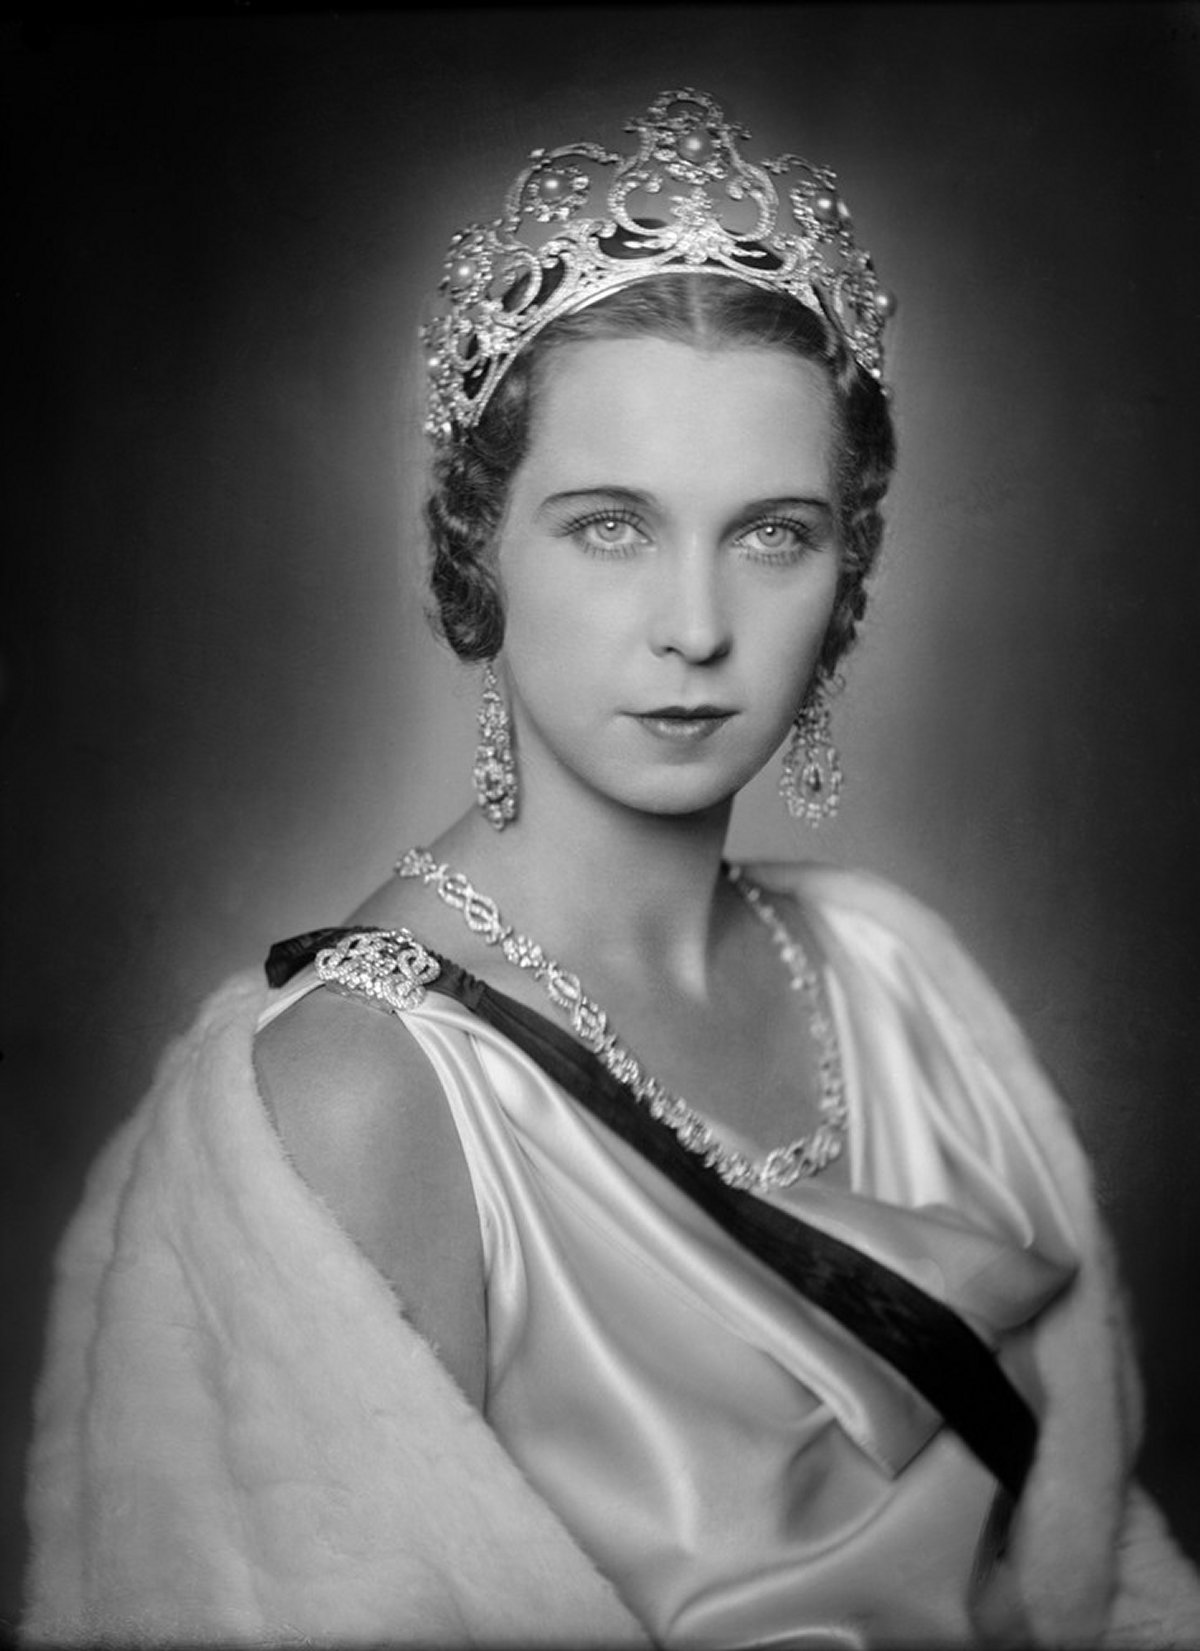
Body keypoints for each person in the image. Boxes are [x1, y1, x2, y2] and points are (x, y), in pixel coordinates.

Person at [21, 87, 1200, 1648]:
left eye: (773, 533)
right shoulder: (366, 1093)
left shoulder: (904, 977)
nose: (696, 625)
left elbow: (1091, 1571)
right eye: (608, 527)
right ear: (478, 552)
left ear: (848, 577)